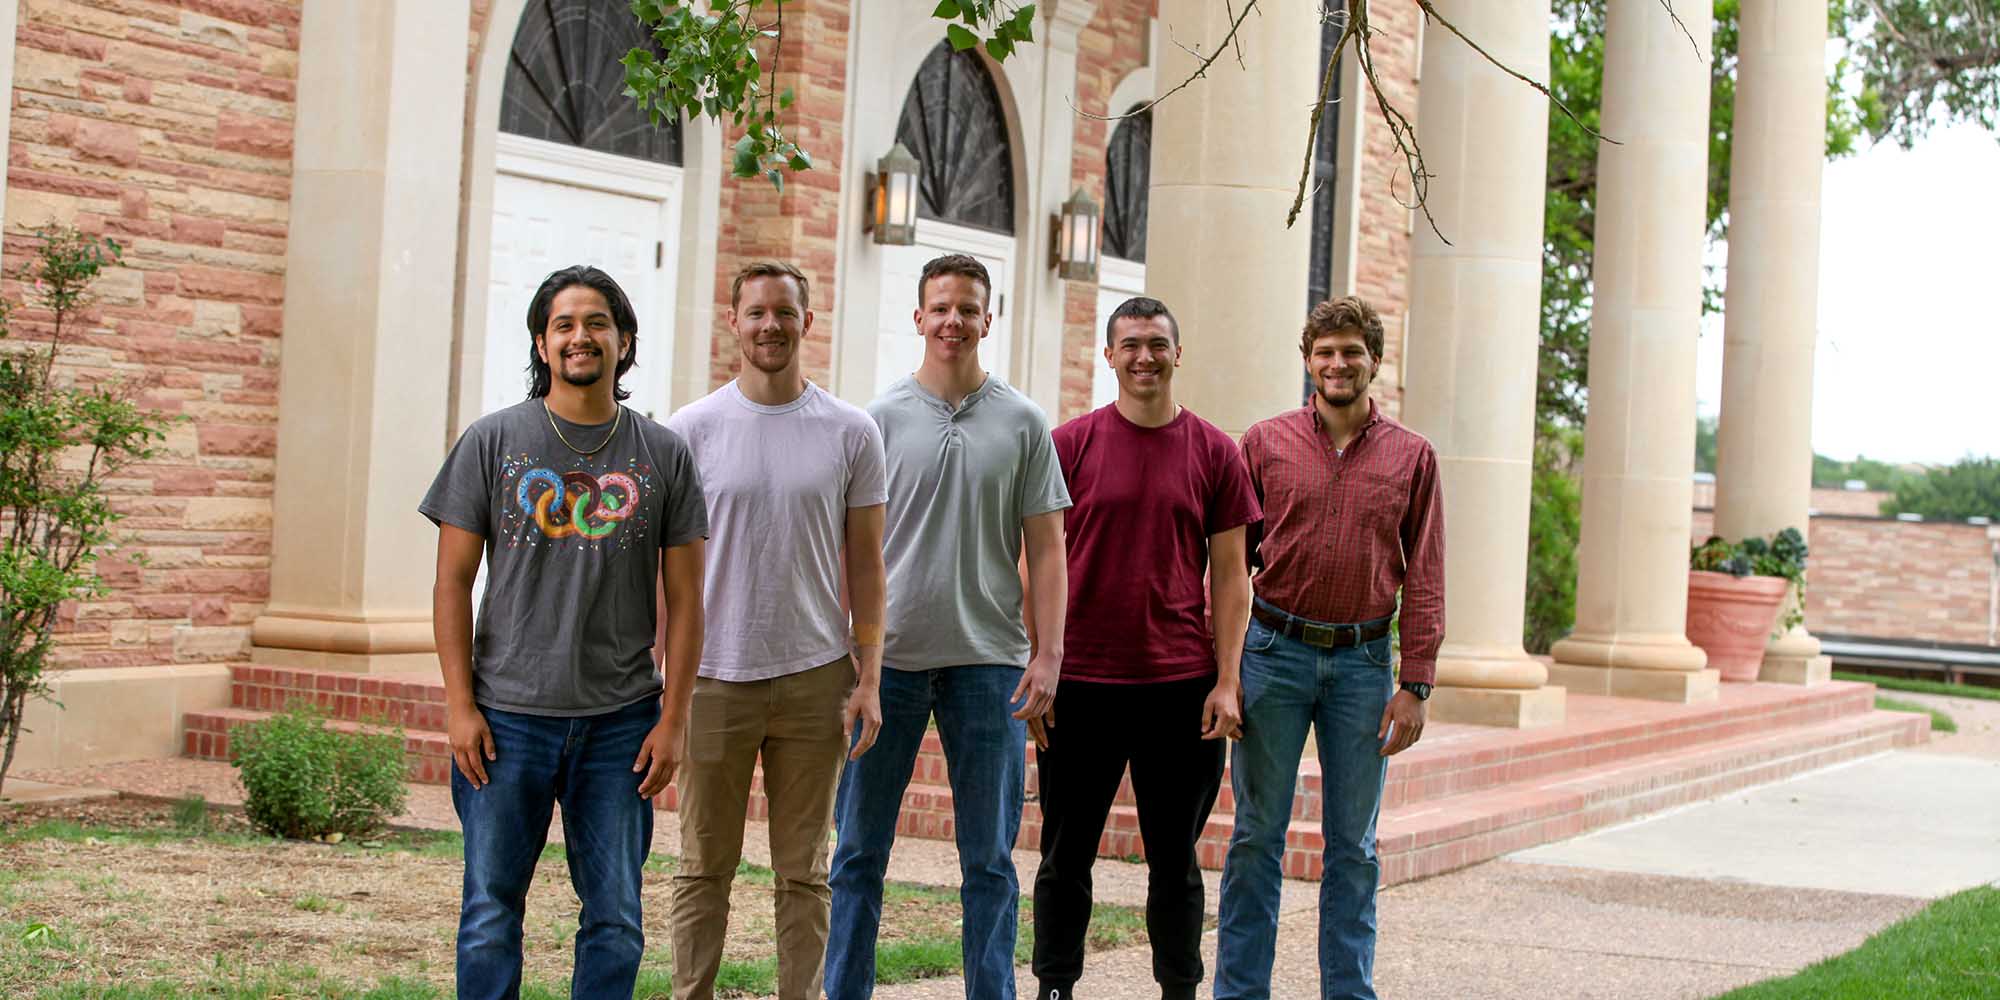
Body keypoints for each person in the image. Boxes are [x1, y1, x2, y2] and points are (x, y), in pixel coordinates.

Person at [422, 264, 708, 1000]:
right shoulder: (491, 442)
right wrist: (459, 704)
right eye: (564, 325)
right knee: (490, 913)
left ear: (625, 341)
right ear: (542, 345)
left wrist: (673, 718)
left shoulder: (663, 454)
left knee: (615, 917)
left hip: (620, 723)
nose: (581, 337)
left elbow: (686, 598)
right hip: (507, 718)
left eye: (597, 324)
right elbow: (452, 582)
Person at [824, 253, 1072, 1000]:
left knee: (989, 860)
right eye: (941, 307)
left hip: (990, 664)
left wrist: (1049, 654)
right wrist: (849, 648)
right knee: (859, 850)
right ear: (918, 317)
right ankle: (844, 992)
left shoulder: (1025, 422)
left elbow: (1048, 548)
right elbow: (851, 545)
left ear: (988, 320)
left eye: (968, 308)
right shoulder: (878, 420)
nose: (954, 321)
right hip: (887, 665)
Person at [664, 261, 888, 1000]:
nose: (770, 325)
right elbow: (667, 572)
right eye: (756, 312)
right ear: (734, 320)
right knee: (702, 866)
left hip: (814, 676)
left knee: (804, 872)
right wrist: (661, 677)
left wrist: (870, 678)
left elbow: (867, 569)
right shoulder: (689, 432)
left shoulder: (851, 431)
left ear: (807, 322)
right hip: (713, 676)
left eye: (784, 313)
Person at [1214, 295, 1443, 1000]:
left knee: (1354, 848)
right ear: (1308, 360)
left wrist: (1418, 680)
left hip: (1364, 666)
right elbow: (1228, 567)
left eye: (1351, 351)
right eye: (1325, 352)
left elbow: (1426, 568)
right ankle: (1240, 992)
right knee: (1256, 837)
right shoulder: (1264, 443)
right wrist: (1222, 671)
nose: (1337, 364)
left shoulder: (1413, 457)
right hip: (1273, 654)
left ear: (1373, 361)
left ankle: (1348, 992)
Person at [1032, 297, 1261, 1000]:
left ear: (1177, 354)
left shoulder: (1216, 452)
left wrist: (1227, 680)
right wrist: (1037, 661)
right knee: (1064, 855)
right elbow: (1035, 560)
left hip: (1180, 689)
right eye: (1130, 345)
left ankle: (1178, 988)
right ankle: (1055, 985)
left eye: (1157, 344)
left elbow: (1230, 575)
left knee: (1175, 861)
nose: (1144, 357)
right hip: (1081, 687)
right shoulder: (1070, 444)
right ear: (1108, 357)